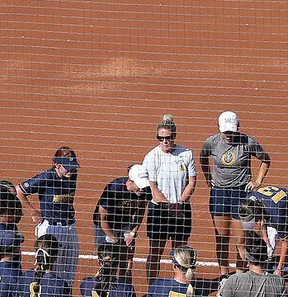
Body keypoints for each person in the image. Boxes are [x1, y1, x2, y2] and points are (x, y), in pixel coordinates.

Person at [200, 111, 271, 276]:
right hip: (219, 193)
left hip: (241, 194)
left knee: (241, 240)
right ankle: (224, 277)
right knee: (222, 237)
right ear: (219, 128)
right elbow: (203, 157)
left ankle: (240, 275)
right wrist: (208, 176)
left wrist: (258, 181)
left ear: (238, 127)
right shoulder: (212, 142)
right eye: (225, 132)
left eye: (231, 131)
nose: (228, 135)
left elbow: (265, 159)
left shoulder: (248, 142)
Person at [142, 116, 198, 282]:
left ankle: (181, 283)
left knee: (180, 251)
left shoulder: (186, 154)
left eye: (168, 137)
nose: (165, 141)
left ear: (174, 136)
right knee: (155, 251)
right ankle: (152, 287)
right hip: (159, 211)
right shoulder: (151, 157)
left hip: (181, 209)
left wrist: (180, 203)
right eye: (161, 138)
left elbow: (192, 182)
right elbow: (152, 187)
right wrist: (169, 206)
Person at [16, 147, 80, 287]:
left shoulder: (72, 174)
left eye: (73, 167)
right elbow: (19, 191)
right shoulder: (46, 177)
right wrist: (33, 212)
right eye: (67, 167)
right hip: (50, 229)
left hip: (70, 227)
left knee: (69, 271)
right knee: (47, 270)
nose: (71, 170)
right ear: (56, 165)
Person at [93, 164, 151, 264]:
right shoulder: (115, 189)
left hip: (125, 223)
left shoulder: (145, 190)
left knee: (127, 260)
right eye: (139, 185)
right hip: (106, 226)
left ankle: (124, 278)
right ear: (130, 180)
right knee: (106, 262)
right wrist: (116, 241)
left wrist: (133, 232)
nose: (142, 189)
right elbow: (102, 219)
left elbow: (141, 210)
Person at [235, 196, 288, 277]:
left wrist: (279, 268)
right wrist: (264, 236)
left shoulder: (276, 216)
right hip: (270, 208)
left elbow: (286, 241)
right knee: (268, 247)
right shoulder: (247, 205)